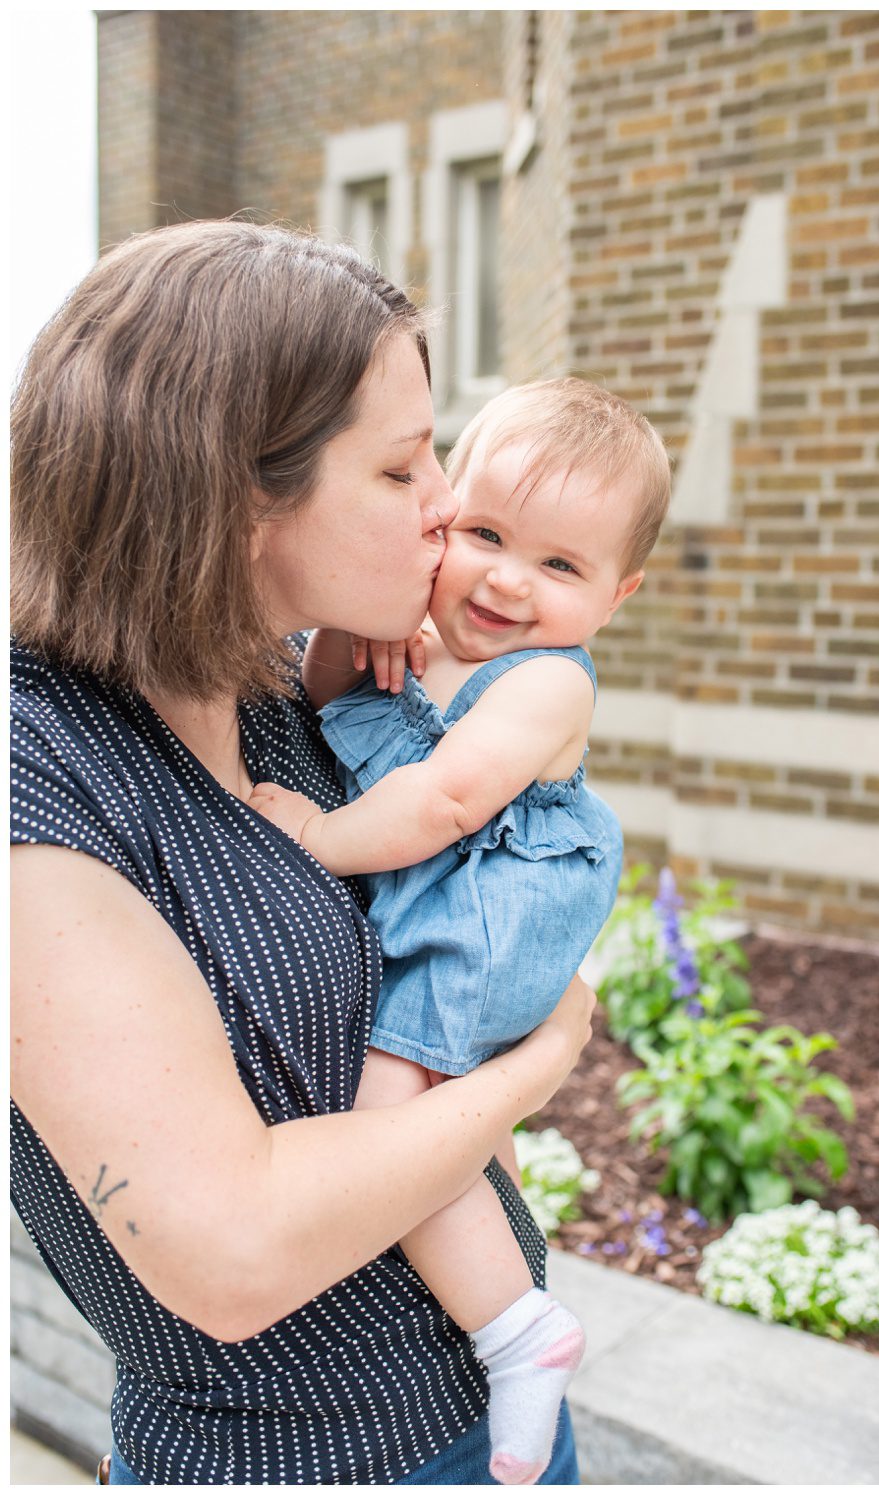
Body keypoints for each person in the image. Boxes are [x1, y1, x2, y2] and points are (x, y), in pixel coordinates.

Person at [11, 220, 595, 1484]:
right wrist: (540, 1060)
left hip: (487, 1414)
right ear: (231, 493)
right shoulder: (36, 766)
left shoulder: (281, 687)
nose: (450, 504)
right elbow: (231, 1252)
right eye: (400, 471)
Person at [248, 378, 670, 1483]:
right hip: (439, 908)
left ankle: (516, 1330)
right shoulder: (427, 638)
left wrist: (317, 838)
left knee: (389, 1120)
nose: (506, 580)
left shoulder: (544, 687)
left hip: (491, 914)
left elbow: (441, 803)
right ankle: (503, 1287)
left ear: (616, 596)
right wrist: (354, 627)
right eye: (485, 534)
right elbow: (325, 687)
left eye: (559, 566)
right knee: (442, 1120)